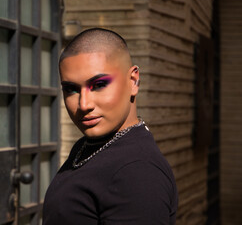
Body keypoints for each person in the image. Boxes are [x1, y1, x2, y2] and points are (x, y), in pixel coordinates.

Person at [43, 28, 178, 225]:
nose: (84, 105)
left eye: (98, 85)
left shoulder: (137, 173)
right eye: (71, 89)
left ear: (133, 81)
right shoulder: (87, 146)